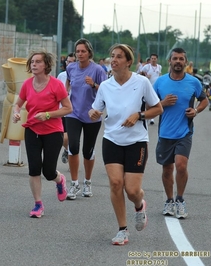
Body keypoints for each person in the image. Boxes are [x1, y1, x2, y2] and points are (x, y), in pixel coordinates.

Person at [89, 44, 163, 245]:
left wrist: (139, 115)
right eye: (112, 56)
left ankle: (139, 204)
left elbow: (157, 109)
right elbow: (95, 110)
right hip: (112, 139)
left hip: (136, 142)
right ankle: (122, 230)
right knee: (115, 183)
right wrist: (93, 113)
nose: (113, 60)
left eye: (119, 57)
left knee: (132, 190)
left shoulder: (141, 83)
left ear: (128, 62)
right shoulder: (105, 86)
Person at [12, 50, 72, 218]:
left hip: (53, 131)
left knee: (48, 171)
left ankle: (60, 181)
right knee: (34, 168)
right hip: (32, 129)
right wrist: (16, 113)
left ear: (46, 65)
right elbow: (18, 104)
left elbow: (68, 108)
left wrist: (47, 115)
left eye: (38, 62)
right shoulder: (27, 84)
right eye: (32, 62)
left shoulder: (56, 85)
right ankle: (38, 204)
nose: (34, 64)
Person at [153, 47, 208, 219]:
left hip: (185, 131)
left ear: (185, 62)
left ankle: (180, 200)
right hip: (165, 133)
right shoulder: (160, 83)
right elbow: (150, 106)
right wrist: (163, 102)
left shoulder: (193, 82)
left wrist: (196, 111)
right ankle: (169, 200)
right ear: (169, 61)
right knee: (167, 168)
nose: (178, 61)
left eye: (181, 59)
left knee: (181, 165)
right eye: (175, 58)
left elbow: (204, 100)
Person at [65, 38, 107, 199]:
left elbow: (106, 90)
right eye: (78, 51)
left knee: (87, 150)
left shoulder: (97, 70)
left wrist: (94, 85)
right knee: (73, 146)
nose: (80, 54)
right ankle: (74, 183)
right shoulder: (71, 67)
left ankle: (87, 182)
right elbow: (68, 83)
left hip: (92, 115)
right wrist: (64, 96)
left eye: (83, 51)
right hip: (73, 113)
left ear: (89, 53)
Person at [56, 52, 75, 164]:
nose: (70, 64)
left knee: (72, 138)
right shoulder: (61, 76)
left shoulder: (81, 76)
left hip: (74, 111)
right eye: (68, 62)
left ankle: (72, 157)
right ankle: (67, 150)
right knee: (64, 137)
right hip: (62, 110)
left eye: (73, 62)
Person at [140, 53, 162, 125]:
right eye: (152, 58)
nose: (153, 60)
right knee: (147, 102)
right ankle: (146, 116)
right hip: (148, 86)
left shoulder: (159, 67)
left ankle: (152, 118)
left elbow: (160, 74)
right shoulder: (147, 67)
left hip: (156, 87)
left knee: (154, 102)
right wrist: (146, 75)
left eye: (154, 59)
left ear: (157, 59)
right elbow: (141, 73)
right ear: (150, 59)